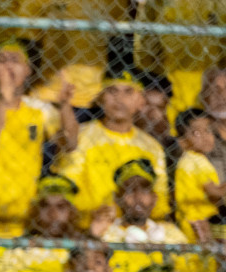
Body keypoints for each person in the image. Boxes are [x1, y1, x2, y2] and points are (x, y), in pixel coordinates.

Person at [0, 40, 76, 235]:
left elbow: (70, 144)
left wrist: (65, 106)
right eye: (1, 61)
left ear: (27, 70)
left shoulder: (39, 109)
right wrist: (3, 105)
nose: (8, 67)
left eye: (15, 60)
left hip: (26, 215)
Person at [55, 70, 170, 222]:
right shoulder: (82, 137)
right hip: (86, 230)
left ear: (141, 101)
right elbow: (67, 190)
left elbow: (159, 201)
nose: (119, 99)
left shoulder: (151, 147)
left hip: (135, 232)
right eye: (112, 91)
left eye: (128, 92)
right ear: (100, 98)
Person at [172, 108, 225, 240]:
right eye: (196, 133)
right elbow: (214, 192)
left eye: (208, 130)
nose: (206, 137)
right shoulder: (194, 160)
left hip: (200, 216)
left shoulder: (196, 159)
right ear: (182, 141)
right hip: (197, 219)